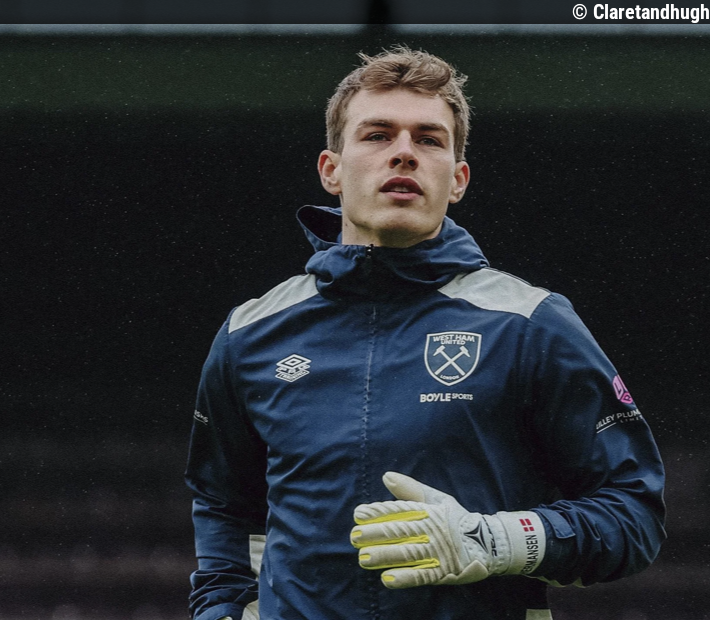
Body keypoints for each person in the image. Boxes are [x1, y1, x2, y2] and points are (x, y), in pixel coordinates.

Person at [184, 45, 666, 620]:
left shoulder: (532, 324)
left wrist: (496, 541)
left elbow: (634, 514)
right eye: (377, 135)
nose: (404, 153)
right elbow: (224, 504)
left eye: (429, 140)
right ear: (331, 170)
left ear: (457, 179)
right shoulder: (250, 332)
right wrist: (223, 611)